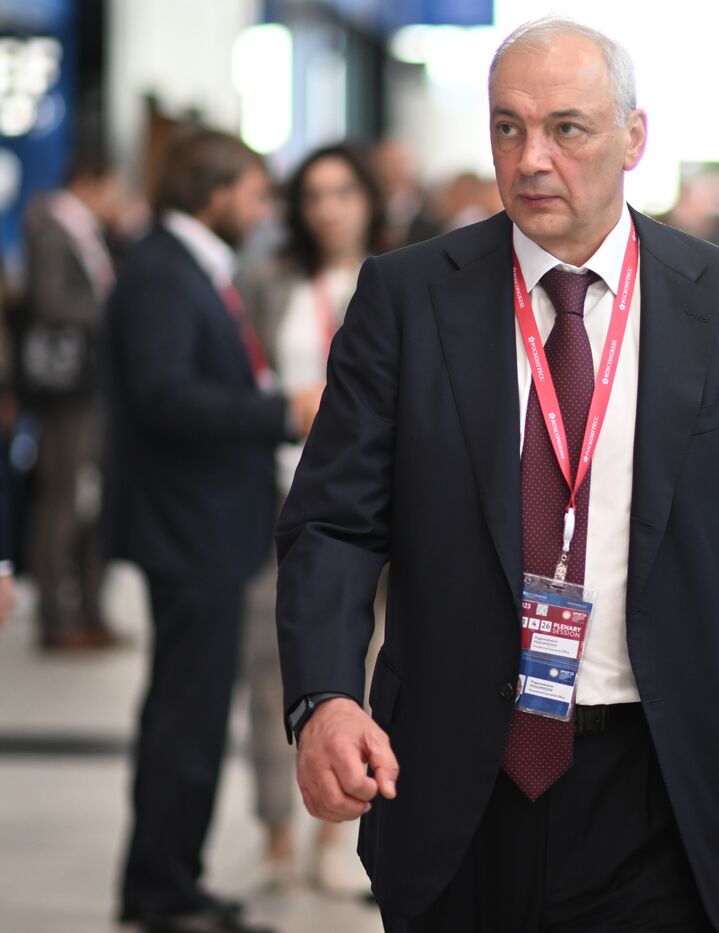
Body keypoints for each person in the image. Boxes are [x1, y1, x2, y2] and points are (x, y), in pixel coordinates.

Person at [275, 17, 719, 933]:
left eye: (566, 128)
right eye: (507, 128)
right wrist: (325, 697)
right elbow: (333, 522)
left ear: (633, 138)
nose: (532, 157)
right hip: (455, 778)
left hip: (661, 778)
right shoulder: (409, 297)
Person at [108, 128, 322, 933]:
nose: (262, 208)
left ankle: (172, 878)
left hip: (207, 521)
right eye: (252, 192)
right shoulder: (163, 270)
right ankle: (163, 889)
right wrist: (281, 411)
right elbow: (166, 397)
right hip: (186, 526)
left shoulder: (191, 265)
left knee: (194, 710)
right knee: (186, 714)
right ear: (214, 190)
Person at [238, 142, 385, 893]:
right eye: (315, 193)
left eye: (344, 192)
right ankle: (274, 831)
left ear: (370, 199)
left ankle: (347, 837)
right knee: (274, 670)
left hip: (383, 507)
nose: (329, 208)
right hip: (283, 492)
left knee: (371, 668)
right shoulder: (271, 284)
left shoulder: (405, 279)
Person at [21, 151, 124, 651]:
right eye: (112, 189)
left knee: (88, 503)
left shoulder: (82, 230)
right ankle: (55, 619)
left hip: (89, 380)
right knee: (61, 501)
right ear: (89, 181)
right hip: (66, 386)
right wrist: (112, 310)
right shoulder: (52, 227)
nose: (117, 201)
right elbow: (50, 301)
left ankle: (87, 611)